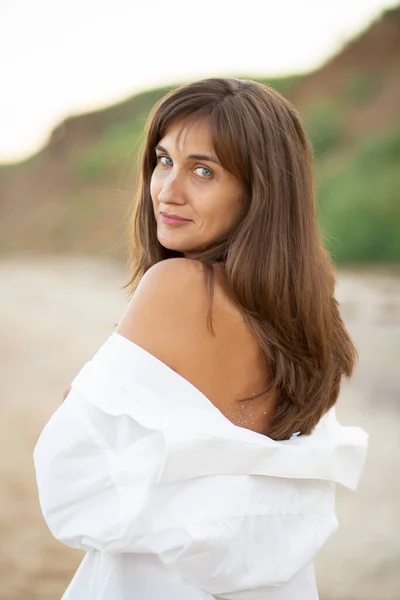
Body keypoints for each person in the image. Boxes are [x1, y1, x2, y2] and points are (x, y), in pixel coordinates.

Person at [34, 77, 368, 600]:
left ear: (259, 189)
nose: (168, 190)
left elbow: (70, 473)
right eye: (163, 160)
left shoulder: (178, 287)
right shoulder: (311, 304)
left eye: (203, 170)